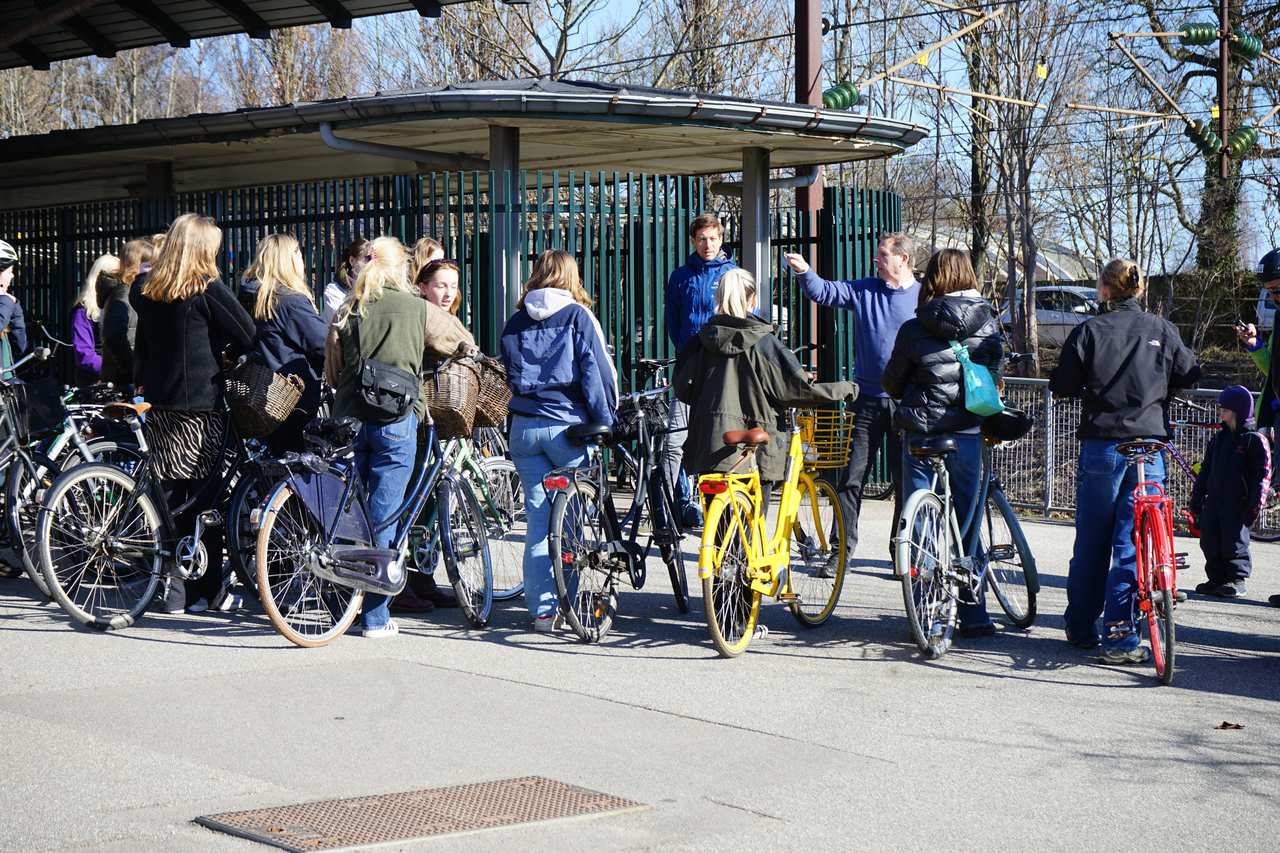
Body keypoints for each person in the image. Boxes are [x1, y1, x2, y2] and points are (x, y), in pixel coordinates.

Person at [1049, 258, 1200, 664]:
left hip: (1102, 444)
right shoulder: (1161, 329)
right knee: (1132, 542)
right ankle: (1120, 633)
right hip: (1149, 444)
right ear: (1139, 289)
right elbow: (1190, 372)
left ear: (1103, 289)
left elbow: (1063, 384)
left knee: (1092, 540)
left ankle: (1081, 626)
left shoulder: (1090, 330)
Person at [324, 236, 477, 637]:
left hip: (349, 418)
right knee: (385, 512)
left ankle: (342, 603)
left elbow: (333, 371)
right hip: (396, 417)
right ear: (401, 269)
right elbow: (462, 342)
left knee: (348, 511)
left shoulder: (348, 307)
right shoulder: (417, 308)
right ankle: (375, 617)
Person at [132, 214, 257, 614]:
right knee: (206, 498)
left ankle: (172, 590)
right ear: (204, 249)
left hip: (160, 404)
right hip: (201, 407)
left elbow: (143, 347)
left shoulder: (146, 289)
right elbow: (248, 333)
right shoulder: (206, 288)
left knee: (169, 497)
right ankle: (208, 591)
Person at [881, 249, 1005, 639]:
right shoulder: (987, 323)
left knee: (921, 519)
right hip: (966, 432)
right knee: (967, 517)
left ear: (932, 278)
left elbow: (892, 382)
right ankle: (974, 613)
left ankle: (926, 610)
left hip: (922, 432)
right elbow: (995, 373)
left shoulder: (915, 326)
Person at [784, 233, 920, 575]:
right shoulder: (864, 290)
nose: (877, 260)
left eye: (883, 254)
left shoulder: (923, 298)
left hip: (907, 404)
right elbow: (824, 291)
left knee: (907, 483)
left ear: (903, 259)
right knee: (851, 479)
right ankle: (841, 552)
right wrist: (804, 271)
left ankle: (903, 554)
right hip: (867, 401)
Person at [500, 250, 617, 632]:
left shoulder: (515, 322)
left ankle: (542, 613)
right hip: (567, 428)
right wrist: (606, 419)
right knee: (570, 522)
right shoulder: (577, 317)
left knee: (538, 523)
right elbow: (597, 373)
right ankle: (569, 604)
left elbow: (508, 372)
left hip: (524, 427)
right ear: (571, 276)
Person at [674, 268, 857, 492]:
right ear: (753, 299)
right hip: (756, 446)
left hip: (709, 440)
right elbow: (793, 390)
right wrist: (845, 389)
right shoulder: (763, 343)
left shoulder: (700, 341)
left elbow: (682, 388)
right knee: (755, 510)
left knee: (717, 511)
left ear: (719, 297)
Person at [664, 214, 738, 529]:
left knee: (716, 442)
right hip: (689, 367)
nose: (708, 245)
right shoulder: (681, 277)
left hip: (721, 372)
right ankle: (672, 508)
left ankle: (718, 511)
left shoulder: (733, 274)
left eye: (713, 238)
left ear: (721, 240)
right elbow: (673, 321)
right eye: (702, 239)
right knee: (674, 442)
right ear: (693, 241)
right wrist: (687, 351)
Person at [238, 234, 328, 454]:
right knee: (294, 462)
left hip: (258, 393)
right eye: (298, 254)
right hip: (291, 396)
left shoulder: (250, 295)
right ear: (289, 260)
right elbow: (322, 343)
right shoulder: (289, 300)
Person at [1189, 386, 1271, 598]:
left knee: (1233, 541)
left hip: (1237, 502)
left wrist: (1254, 505)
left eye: (1225, 410)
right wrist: (1196, 498)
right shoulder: (1218, 439)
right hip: (1214, 499)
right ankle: (1216, 578)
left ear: (1237, 412)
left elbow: (1262, 475)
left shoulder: (1253, 440)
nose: (1221, 414)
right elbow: (1206, 471)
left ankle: (1236, 579)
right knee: (1209, 538)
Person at [101, 238, 152, 389]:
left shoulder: (127, 292)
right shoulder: (124, 293)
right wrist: (132, 370)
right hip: (124, 381)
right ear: (136, 265)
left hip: (124, 377)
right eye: (149, 265)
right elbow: (113, 335)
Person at [71, 254, 119, 387]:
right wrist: (114, 370)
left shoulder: (118, 305)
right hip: (95, 382)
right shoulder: (83, 311)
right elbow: (84, 354)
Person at [323, 237, 371, 325]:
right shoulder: (333, 291)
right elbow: (339, 323)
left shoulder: (377, 288)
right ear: (352, 260)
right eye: (367, 258)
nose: (371, 264)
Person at [0, 239, 27, 375]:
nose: (12, 275)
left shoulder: (6, 304)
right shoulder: (4, 303)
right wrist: (5, 301)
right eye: (9, 271)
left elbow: (20, 347)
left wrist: (15, 310)